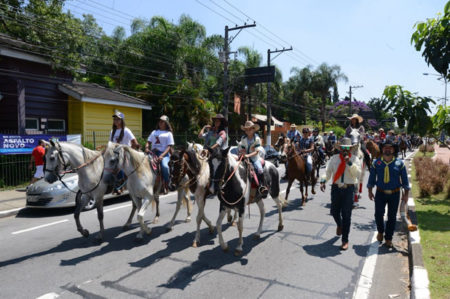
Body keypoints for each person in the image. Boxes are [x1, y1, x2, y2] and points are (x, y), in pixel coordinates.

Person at [320, 137, 362, 250]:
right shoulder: (334, 158)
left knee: (347, 215)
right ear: (340, 148)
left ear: (350, 149)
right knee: (334, 211)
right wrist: (323, 180)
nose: (344, 150)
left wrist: (349, 162)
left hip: (349, 189)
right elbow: (328, 172)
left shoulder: (355, 159)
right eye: (343, 148)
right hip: (336, 188)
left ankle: (345, 240)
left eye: (347, 148)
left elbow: (358, 174)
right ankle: (339, 224)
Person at [367, 139, 410, 248]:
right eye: (385, 147)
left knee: (392, 217)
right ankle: (381, 231)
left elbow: (405, 180)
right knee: (378, 214)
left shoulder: (399, 163)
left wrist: (406, 195)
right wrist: (370, 191)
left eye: (390, 147)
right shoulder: (376, 163)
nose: (387, 149)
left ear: (394, 149)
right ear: (382, 149)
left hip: (395, 194)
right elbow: (372, 178)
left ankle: (389, 238)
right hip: (380, 193)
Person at [238, 121, 268, 198]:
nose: (248, 131)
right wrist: (242, 153)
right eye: (246, 129)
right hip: (245, 157)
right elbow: (243, 148)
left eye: (250, 129)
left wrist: (248, 155)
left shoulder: (257, 138)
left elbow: (257, 151)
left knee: (260, 169)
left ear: (254, 129)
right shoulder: (243, 138)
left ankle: (262, 186)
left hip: (255, 158)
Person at [145, 115, 175, 193]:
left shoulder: (169, 133)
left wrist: (162, 155)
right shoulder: (154, 132)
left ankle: (166, 183)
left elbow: (169, 146)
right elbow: (148, 142)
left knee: (165, 166)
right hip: (153, 152)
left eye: (162, 122)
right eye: (160, 121)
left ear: (166, 123)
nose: (160, 123)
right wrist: (147, 147)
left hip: (163, 153)